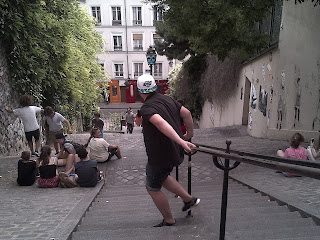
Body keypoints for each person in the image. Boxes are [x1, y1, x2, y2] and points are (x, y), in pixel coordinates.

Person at [137, 74, 199, 227]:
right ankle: (188, 199)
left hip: (160, 154)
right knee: (162, 176)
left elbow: (160, 123)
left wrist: (182, 141)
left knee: (152, 187)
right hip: (173, 151)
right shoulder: (167, 98)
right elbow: (187, 113)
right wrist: (189, 135)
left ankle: (169, 219)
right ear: (155, 86)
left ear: (140, 92)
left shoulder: (147, 108)